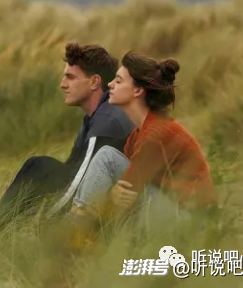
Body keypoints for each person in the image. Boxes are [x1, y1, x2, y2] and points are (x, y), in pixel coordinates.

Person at [0, 43, 135, 245]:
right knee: (40, 168)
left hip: (122, 216)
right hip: (103, 208)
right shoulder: (95, 116)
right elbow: (71, 169)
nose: (62, 84)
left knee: (40, 168)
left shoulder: (107, 119)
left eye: (70, 77)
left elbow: (83, 183)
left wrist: (48, 225)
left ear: (94, 82)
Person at [59, 51, 218, 255]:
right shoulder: (137, 135)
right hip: (168, 213)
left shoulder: (156, 134)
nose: (110, 85)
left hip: (192, 225)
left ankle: (75, 232)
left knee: (107, 157)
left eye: (118, 81)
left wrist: (110, 197)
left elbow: (126, 194)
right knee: (111, 177)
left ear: (137, 91)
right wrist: (112, 195)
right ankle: (79, 235)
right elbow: (121, 195)